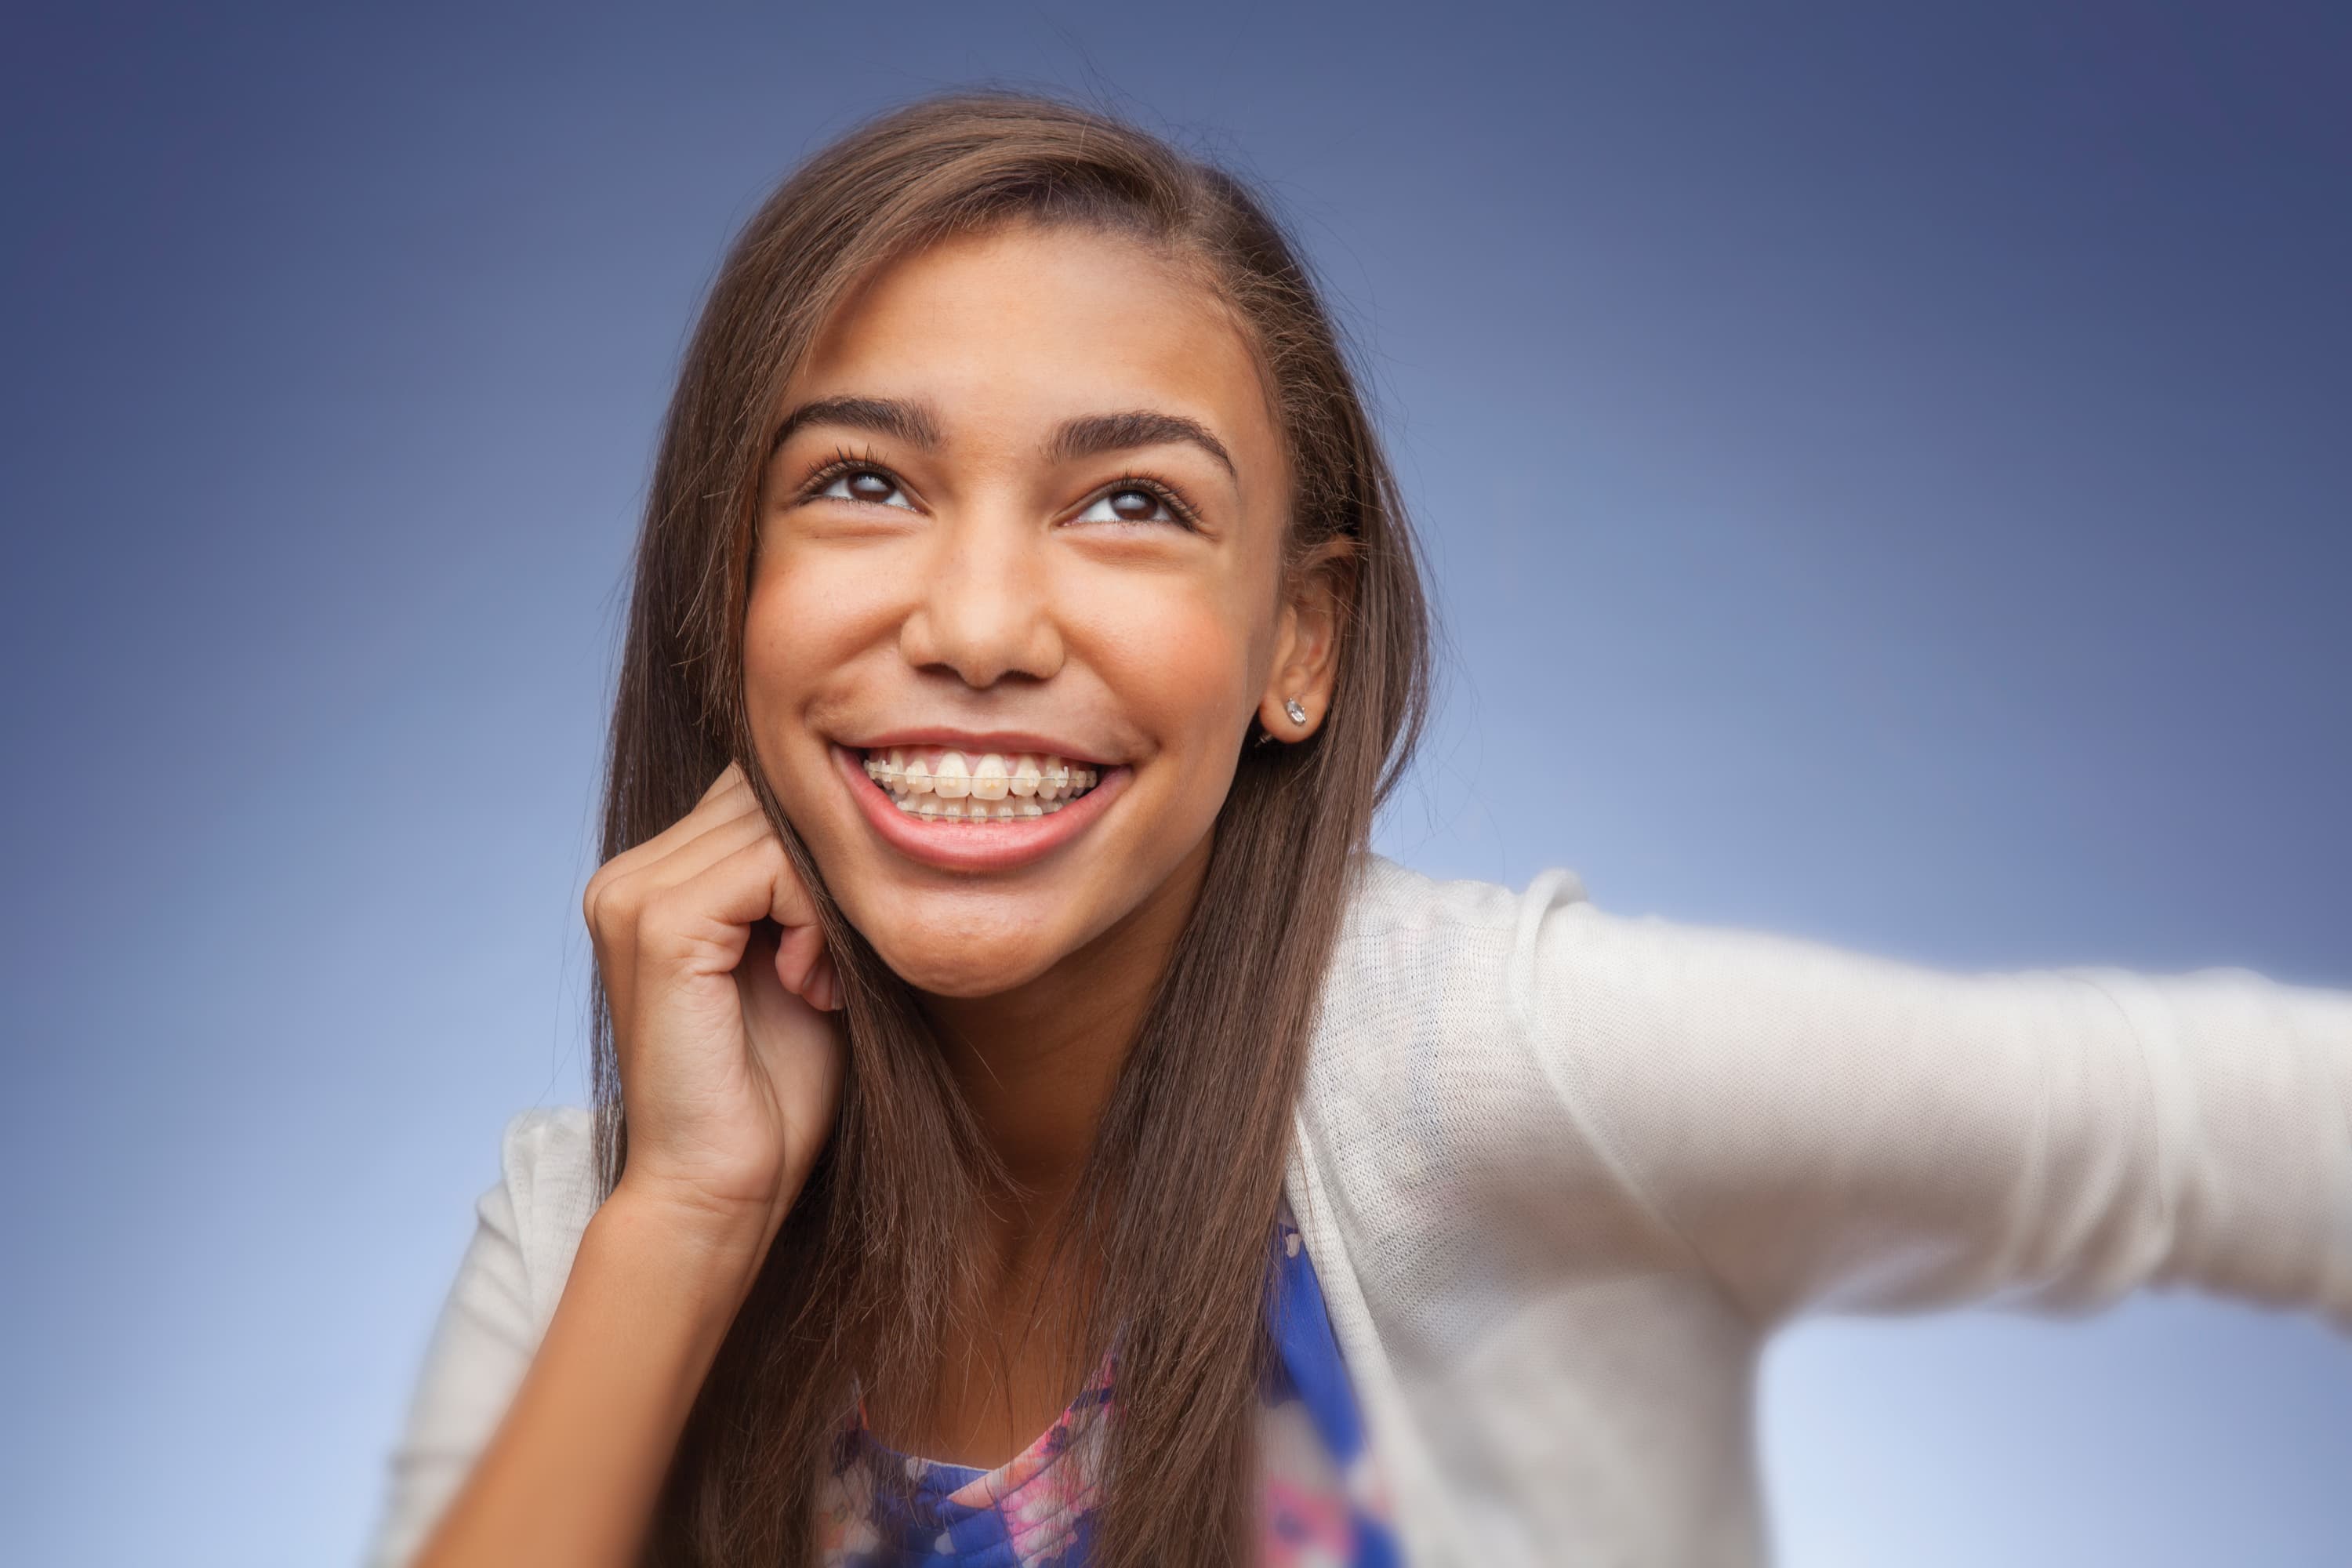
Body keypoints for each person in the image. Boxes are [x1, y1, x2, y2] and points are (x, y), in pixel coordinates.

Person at [363, 91, 2352, 1568]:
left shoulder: (1482, 1068)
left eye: (1129, 502)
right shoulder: (600, 1218)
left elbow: (2220, 1126)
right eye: (863, 486)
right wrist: (687, 1225)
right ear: (736, 593)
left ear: (1295, 640)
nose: (972, 627)